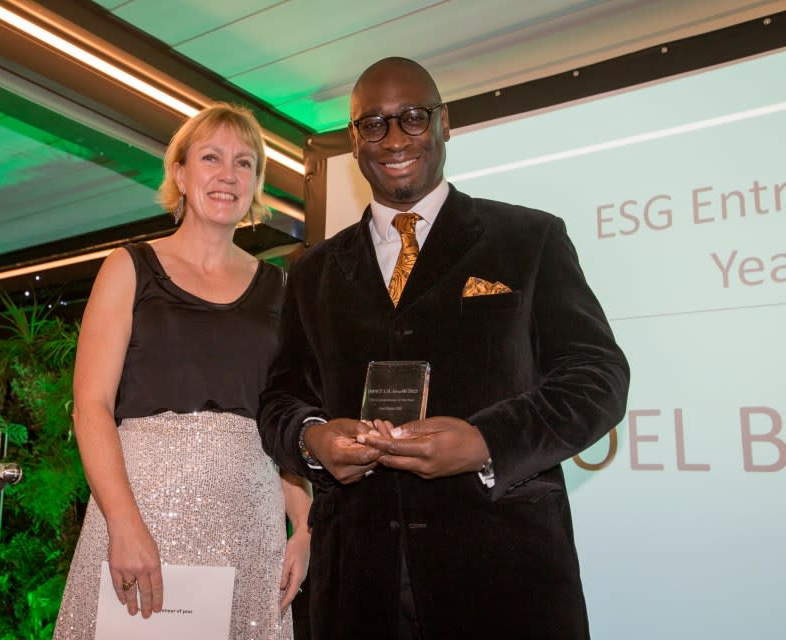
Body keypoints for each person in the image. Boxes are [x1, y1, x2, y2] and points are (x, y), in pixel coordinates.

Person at [257, 57, 629, 639]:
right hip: (355, 586)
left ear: (444, 123)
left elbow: (597, 378)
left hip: (505, 581)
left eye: (412, 117)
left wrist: (487, 442)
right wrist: (314, 438)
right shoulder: (313, 271)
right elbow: (280, 399)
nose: (395, 138)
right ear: (355, 141)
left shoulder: (529, 238)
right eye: (373, 124)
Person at [55, 103, 310, 640]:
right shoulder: (127, 268)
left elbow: (281, 419)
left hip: (249, 529)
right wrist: (123, 524)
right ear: (180, 173)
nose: (228, 175)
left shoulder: (280, 288)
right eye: (211, 157)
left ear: (256, 183)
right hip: (139, 519)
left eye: (245, 163)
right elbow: (91, 407)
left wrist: (305, 525)